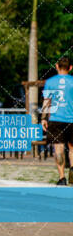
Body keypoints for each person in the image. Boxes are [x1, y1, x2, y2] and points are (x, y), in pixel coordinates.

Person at [41, 56, 73, 186]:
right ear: (70, 68)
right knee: (72, 148)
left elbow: (47, 101)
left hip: (55, 119)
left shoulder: (50, 82)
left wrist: (43, 118)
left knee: (58, 149)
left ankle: (62, 178)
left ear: (57, 66)